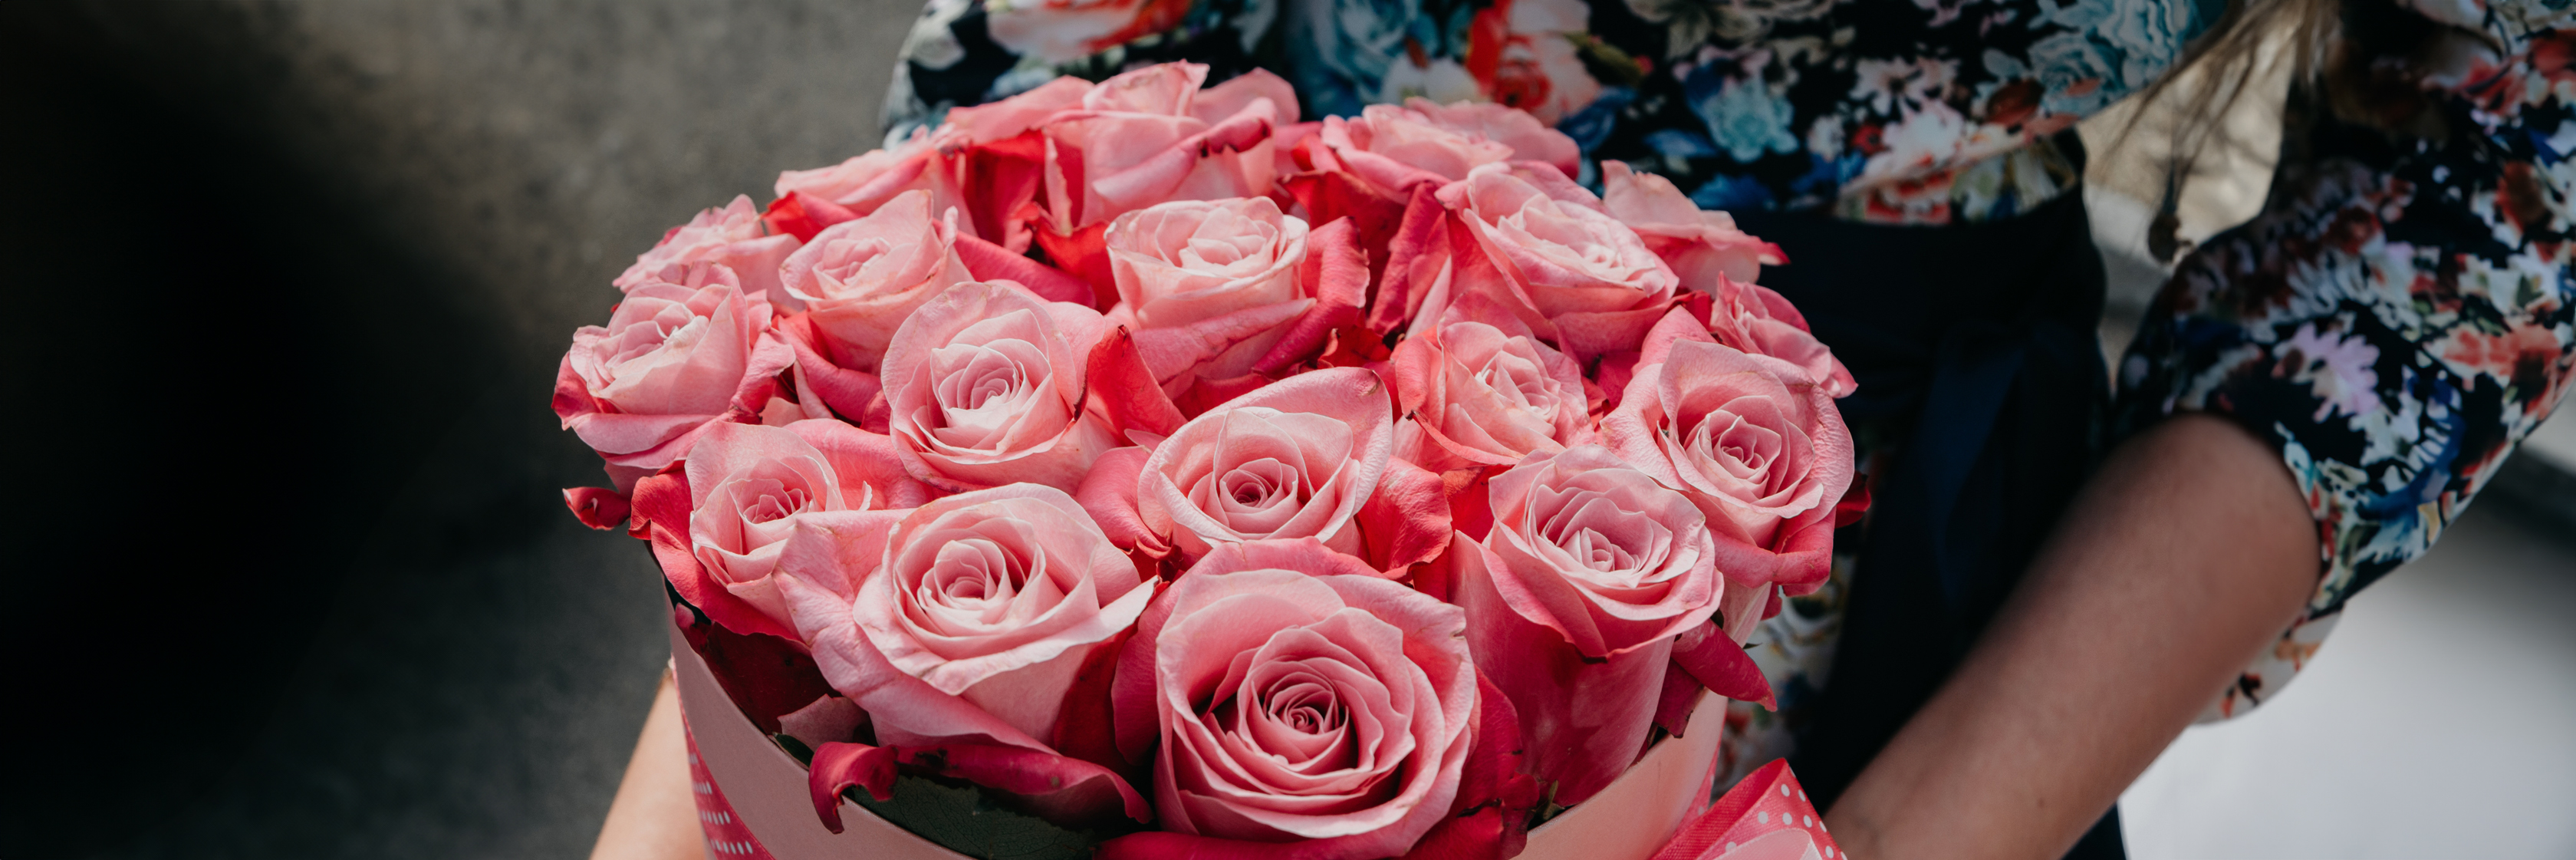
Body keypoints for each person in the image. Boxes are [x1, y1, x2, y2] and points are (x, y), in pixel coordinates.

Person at [597, 0, 2575, 856]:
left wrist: (1894, 847)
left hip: (1872, 536)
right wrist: (804, 677)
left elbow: (2488, 164)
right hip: (1188, 305)